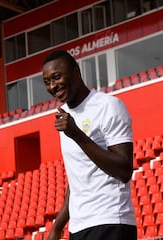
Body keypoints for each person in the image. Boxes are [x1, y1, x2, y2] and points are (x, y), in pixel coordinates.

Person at [42, 49, 137, 240]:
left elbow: (124, 170)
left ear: (76, 71)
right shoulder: (65, 115)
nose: (53, 86)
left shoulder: (108, 106)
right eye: (47, 82)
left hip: (110, 220)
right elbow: (79, 177)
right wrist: (58, 227)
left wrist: (77, 134)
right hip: (79, 226)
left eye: (57, 77)